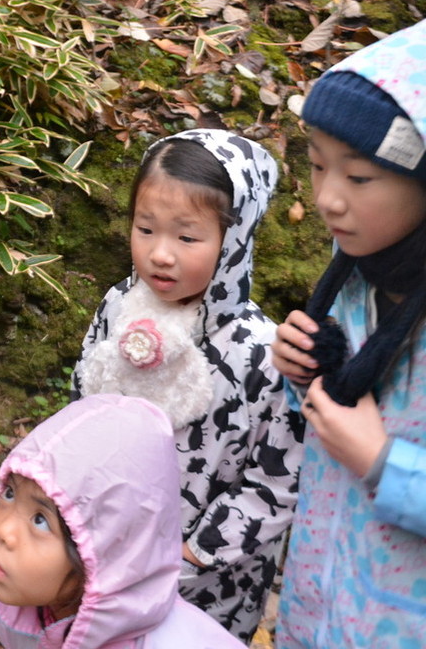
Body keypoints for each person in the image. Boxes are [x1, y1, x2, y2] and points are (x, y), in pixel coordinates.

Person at [72, 129, 304, 643]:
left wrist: (196, 553)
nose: (160, 254)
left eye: (187, 237)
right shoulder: (118, 306)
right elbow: (82, 399)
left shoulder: (263, 353)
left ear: (234, 240)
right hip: (108, 541)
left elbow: (278, 479)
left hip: (206, 581)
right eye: (146, 228)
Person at [270, 19, 426, 648]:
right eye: (316, 166)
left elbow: (365, 440)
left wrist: (385, 465)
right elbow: (334, 415)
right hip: (321, 600)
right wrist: (300, 375)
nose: (329, 199)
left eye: (358, 178)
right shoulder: (357, 282)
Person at [0, 393, 244, 649]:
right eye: (9, 493)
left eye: (40, 521)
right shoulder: (31, 601)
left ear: (111, 553)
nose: (4, 530)